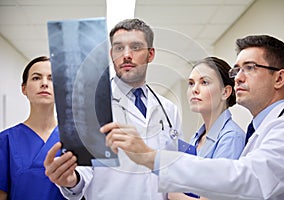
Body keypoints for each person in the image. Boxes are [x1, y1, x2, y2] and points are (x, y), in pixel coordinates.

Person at [102, 35, 284, 200]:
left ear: (279, 78)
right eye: (237, 70)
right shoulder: (258, 130)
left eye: (250, 68)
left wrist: (152, 157)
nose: (238, 77)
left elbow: (245, 178)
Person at [44, 18, 182, 200]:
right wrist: (71, 180)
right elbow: (82, 171)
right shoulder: (90, 105)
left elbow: (172, 169)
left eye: (135, 47)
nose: (126, 55)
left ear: (150, 54)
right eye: (119, 48)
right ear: (111, 54)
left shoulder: (168, 110)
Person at [168, 56, 245, 200]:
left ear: (225, 92)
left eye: (204, 82)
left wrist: (174, 195)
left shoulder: (231, 138)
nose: (194, 90)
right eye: (191, 83)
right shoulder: (196, 138)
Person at [0, 56, 66, 200]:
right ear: (24, 89)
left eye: (51, 78)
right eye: (36, 78)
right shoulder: (6, 140)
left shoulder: (74, 139)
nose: (44, 84)